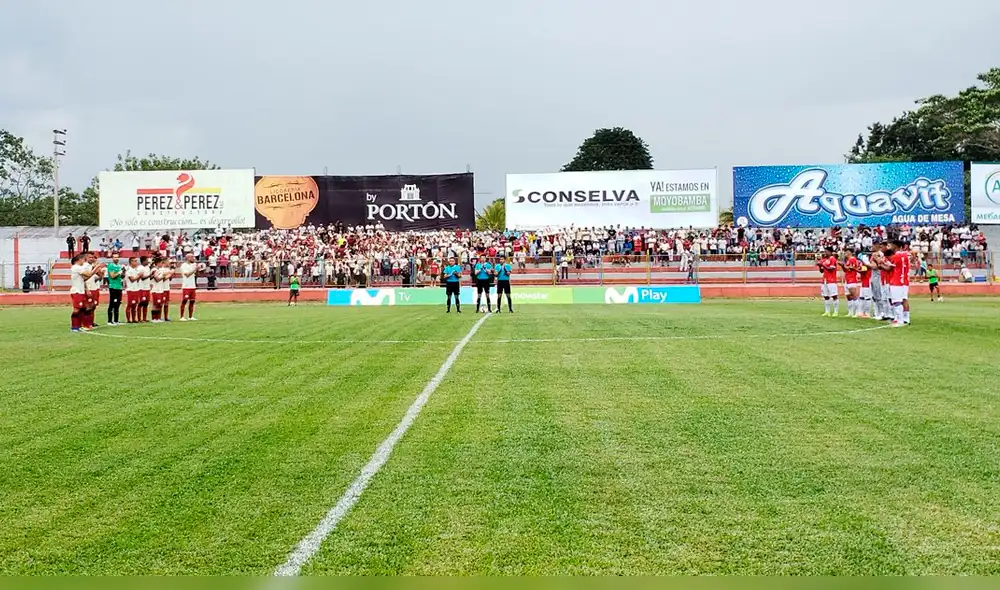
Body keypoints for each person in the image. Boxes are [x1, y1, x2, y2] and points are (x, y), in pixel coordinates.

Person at [68, 254, 102, 332]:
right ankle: (74, 327)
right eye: (83, 260)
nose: (84, 261)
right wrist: (96, 267)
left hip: (81, 291)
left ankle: (79, 326)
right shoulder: (76, 267)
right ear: (79, 260)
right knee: (77, 309)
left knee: (82, 309)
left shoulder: (78, 268)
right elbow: (88, 274)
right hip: (77, 291)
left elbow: (86, 278)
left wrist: (94, 271)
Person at [883, 239, 911, 327]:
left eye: (891, 245)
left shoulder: (895, 256)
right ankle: (906, 319)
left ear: (895, 246)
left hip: (896, 280)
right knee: (904, 299)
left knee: (896, 301)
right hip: (905, 280)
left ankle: (899, 320)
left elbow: (889, 268)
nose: (890, 246)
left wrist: (881, 263)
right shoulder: (906, 255)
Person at [83, 252, 104, 329]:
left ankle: (91, 322)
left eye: (93, 257)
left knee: (93, 306)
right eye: (90, 257)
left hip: (95, 288)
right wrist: (86, 289)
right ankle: (85, 323)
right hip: (89, 288)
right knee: (87, 307)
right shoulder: (84, 266)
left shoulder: (93, 266)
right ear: (86, 258)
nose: (92, 259)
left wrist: (100, 272)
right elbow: (83, 279)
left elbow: (100, 277)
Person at [817, 247, 840, 317]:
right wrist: (819, 266)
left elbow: (831, 269)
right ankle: (827, 311)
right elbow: (822, 271)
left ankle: (836, 312)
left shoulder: (832, 259)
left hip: (831, 280)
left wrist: (823, 265)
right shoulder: (824, 260)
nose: (825, 253)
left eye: (826, 252)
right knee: (826, 296)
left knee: (834, 296)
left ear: (830, 252)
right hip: (825, 280)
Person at [841, 248, 861, 318]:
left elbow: (851, 268)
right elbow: (846, 270)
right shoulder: (848, 260)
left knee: (854, 295)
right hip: (847, 279)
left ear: (850, 252)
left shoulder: (852, 259)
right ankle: (850, 312)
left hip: (851, 279)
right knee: (849, 297)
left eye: (846, 252)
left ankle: (858, 312)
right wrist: (843, 266)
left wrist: (845, 266)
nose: (845, 253)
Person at [106, 251, 124, 326]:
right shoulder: (110, 266)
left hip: (119, 286)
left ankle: (116, 320)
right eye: (114, 257)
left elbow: (121, 276)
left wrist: (123, 273)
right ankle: (110, 321)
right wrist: (119, 272)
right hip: (113, 287)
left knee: (118, 303)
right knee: (112, 303)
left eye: (117, 257)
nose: (116, 258)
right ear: (112, 258)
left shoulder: (119, 266)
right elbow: (112, 276)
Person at [179, 253, 199, 321]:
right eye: (192, 257)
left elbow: (196, 274)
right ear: (188, 258)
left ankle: (190, 316)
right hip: (186, 286)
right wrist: (194, 269)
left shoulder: (192, 265)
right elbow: (187, 274)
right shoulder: (184, 265)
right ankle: (182, 316)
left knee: (192, 301)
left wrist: (198, 269)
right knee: (184, 300)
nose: (194, 258)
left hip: (192, 285)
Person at [124, 257, 141, 324]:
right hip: (130, 289)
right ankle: (128, 319)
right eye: (134, 261)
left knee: (135, 305)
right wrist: (139, 275)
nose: (136, 263)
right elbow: (132, 280)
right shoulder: (129, 270)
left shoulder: (136, 270)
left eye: (136, 261)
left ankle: (134, 319)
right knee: (130, 304)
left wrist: (139, 276)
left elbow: (137, 280)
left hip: (136, 289)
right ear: (131, 262)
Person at [858, 253, 873, 319]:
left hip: (867, 282)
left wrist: (855, 269)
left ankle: (867, 313)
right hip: (863, 282)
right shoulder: (863, 264)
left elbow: (863, 271)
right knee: (861, 297)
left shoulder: (866, 264)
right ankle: (862, 312)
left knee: (867, 298)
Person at [137, 256, 152, 323]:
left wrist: (151, 278)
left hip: (147, 288)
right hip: (142, 288)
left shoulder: (147, 267)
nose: (148, 262)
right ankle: (139, 318)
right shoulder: (140, 268)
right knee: (141, 303)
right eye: (147, 260)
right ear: (143, 261)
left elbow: (148, 277)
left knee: (146, 303)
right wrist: (150, 275)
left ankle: (144, 318)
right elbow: (142, 278)